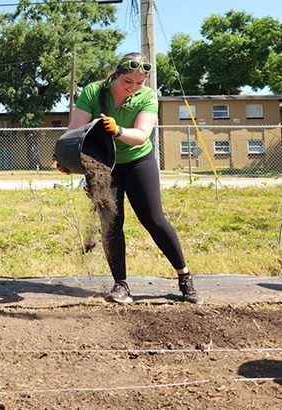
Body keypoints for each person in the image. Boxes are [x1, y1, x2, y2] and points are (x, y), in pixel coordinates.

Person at [61, 52, 203, 304]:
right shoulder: (94, 92)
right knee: (111, 223)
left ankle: (184, 277)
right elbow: (75, 129)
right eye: (128, 81)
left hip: (139, 161)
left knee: (154, 219)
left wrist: (119, 130)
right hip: (104, 165)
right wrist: (67, 158)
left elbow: (141, 135)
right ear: (116, 74)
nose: (133, 87)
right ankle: (121, 284)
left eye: (139, 83)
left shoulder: (147, 96)